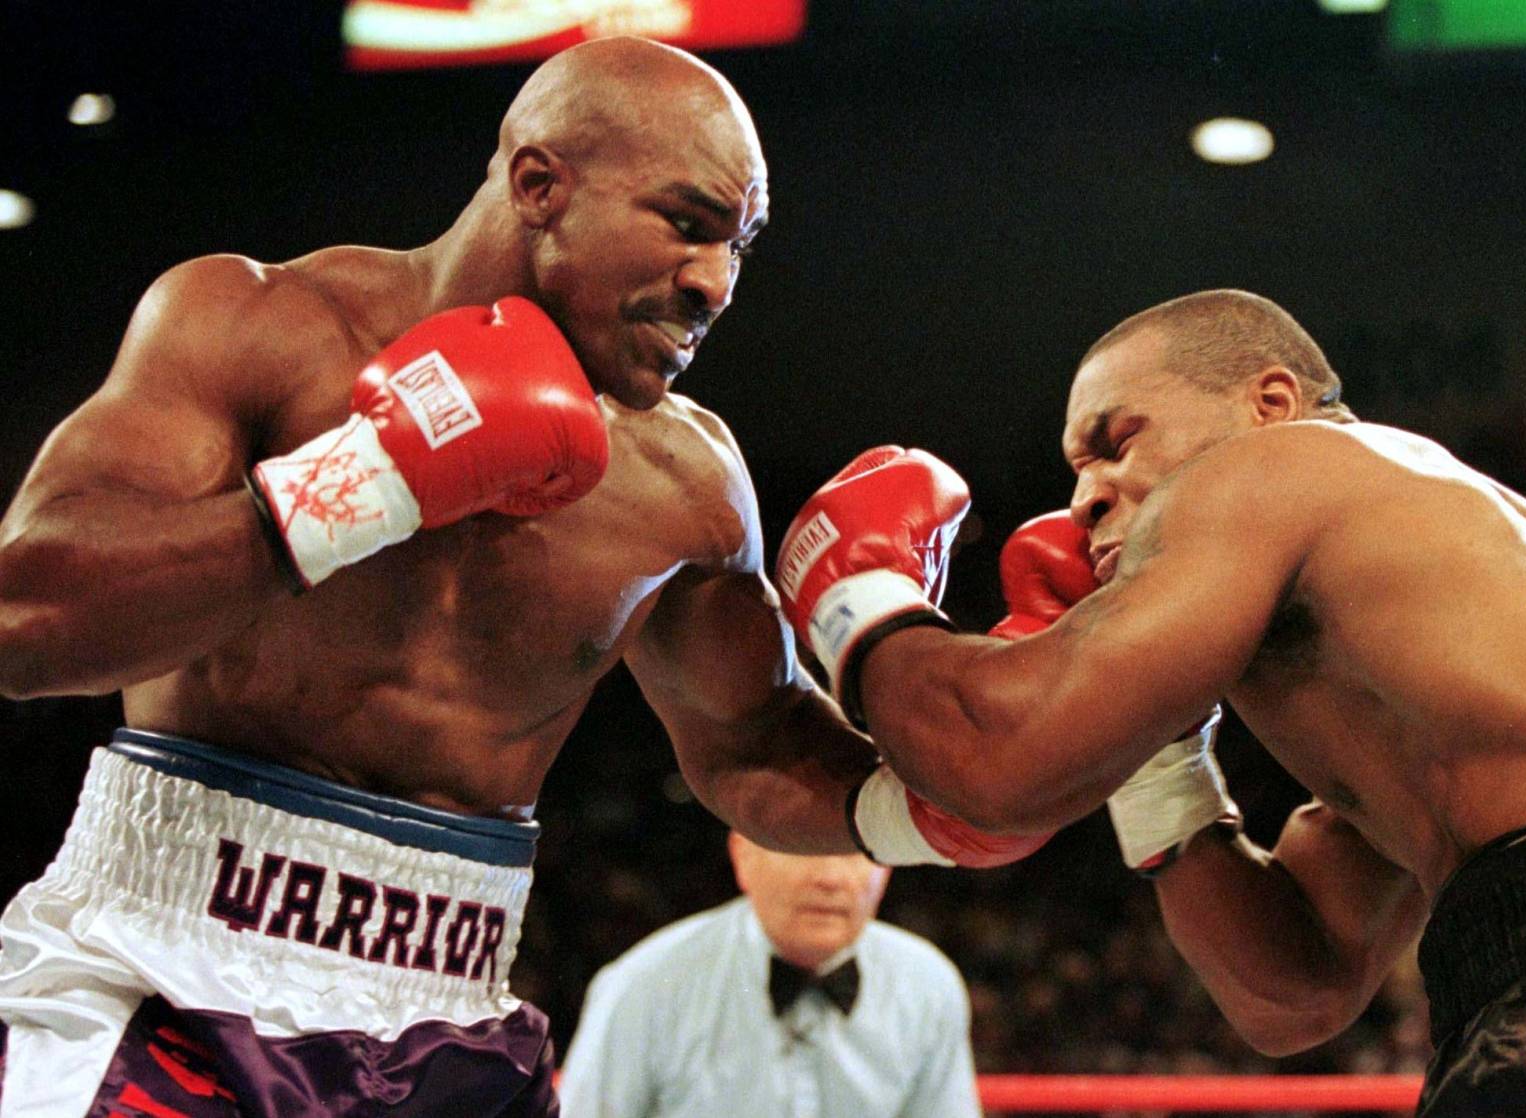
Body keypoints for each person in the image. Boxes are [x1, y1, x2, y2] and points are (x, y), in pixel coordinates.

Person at [0, 35, 1044, 1116]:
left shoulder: (686, 479)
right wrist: (363, 483)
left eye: (738, 246)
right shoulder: (258, 326)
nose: (715, 283)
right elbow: (25, 621)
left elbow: (750, 748)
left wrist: (927, 807)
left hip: (451, 1016)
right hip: (165, 972)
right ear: (539, 185)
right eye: (687, 224)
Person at [776, 288, 1526, 1115]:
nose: (1082, 500)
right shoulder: (1437, 695)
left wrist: (860, 600)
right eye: (1076, 472)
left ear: (1270, 405)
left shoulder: (1284, 462)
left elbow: (996, 759)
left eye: (1116, 443)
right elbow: (1292, 996)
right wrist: (1158, 759)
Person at [558, 831, 982, 1118]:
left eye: (858, 852)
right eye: (803, 849)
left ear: (887, 867)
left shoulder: (928, 986)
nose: (830, 878)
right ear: (742, 854)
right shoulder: (646, 983)